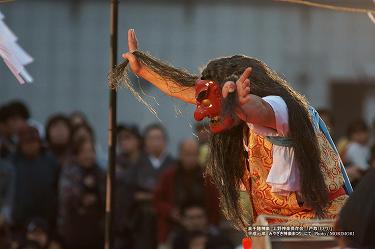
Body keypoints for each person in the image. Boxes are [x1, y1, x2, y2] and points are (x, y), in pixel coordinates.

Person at [120, 29, 348, 233]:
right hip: (276, 230)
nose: (201, 113)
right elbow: (190, 91)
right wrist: (143, 70)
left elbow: (260, 109)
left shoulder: (281, 110)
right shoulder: (238, 122)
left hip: (323, 227)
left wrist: (241, 104)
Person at [154, 138, 221, 246]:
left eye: (194, 155)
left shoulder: (207, 176)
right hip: (176, 225)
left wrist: (210, 224)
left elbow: (215, 204)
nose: (190, 159)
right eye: (187, 154)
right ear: (180, 155)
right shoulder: (169, 176)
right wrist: (171, 211)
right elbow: (157, 201)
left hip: (203, 225)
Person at [125, 123, 174, 249]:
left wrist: (150, 196)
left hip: (167, 220)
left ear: (165, 141)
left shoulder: (173, 165)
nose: (155, 142)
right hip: (143, 220)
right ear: (145, 142)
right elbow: (130, 192)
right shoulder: (137, 164)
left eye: (159, 138)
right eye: (151, 138)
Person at [7, 125, 59, 236]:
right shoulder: (12, 163)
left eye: (33, 142)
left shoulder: (51, 162)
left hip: (47, 219)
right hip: (18, 222)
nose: (30, 146)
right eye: (26, 143)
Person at [57, 138, 105, 249]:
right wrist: (81, 197)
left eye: (91, 151)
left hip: (97, 229)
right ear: (77, 154)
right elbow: (65, 197)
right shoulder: (69, 173)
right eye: (83, 151)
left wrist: (96, 198)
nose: (88, 155)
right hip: (74, 228)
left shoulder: (101, 173)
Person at [342, 120, 370, 186]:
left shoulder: (365, 147)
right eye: (356, 133)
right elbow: (362, 166)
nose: (360, 135)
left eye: (362, 132)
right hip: (349, 180)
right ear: (349, 135)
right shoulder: (353, 147)